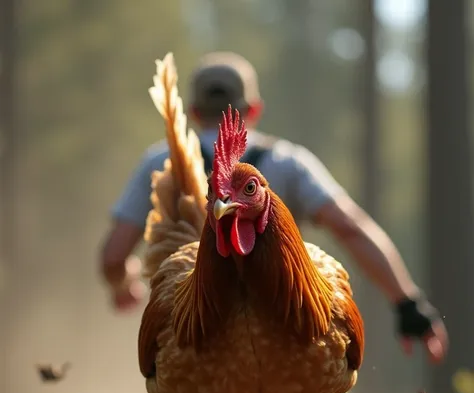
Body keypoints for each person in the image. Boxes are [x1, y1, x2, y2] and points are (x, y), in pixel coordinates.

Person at [99, 52, 448, 363]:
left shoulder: (161, 161)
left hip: (194, 347)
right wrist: (407, 303)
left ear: (192, 112)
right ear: (254, 109)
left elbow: (114, 256)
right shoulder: (288, 163)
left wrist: (124, 285)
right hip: (282, 346)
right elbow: (350, 228)